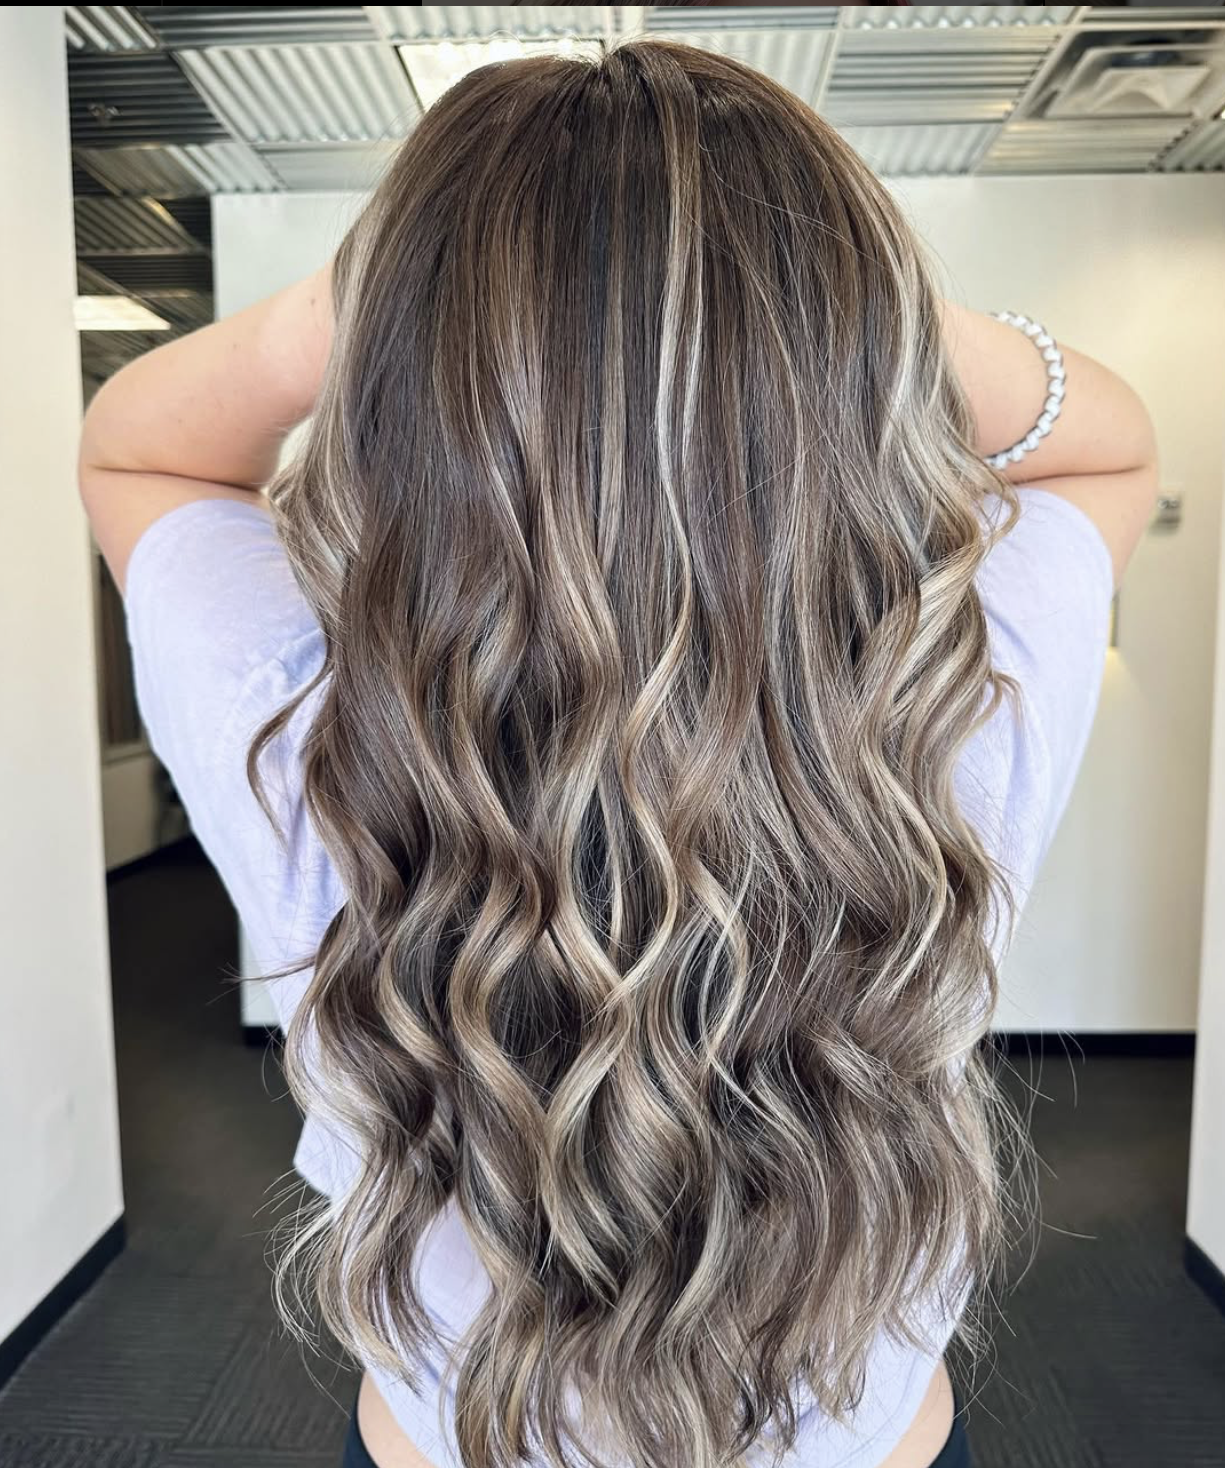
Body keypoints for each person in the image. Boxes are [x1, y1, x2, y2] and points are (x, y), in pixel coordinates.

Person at [78, 39, 1159, 1468]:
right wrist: (847, 307)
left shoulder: (308, 720)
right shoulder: (951, 705)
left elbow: (135, 451)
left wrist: (372, 299)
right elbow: (1109, 444)